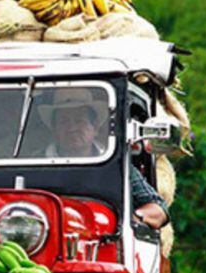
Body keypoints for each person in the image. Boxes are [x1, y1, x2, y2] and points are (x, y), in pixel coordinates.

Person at [40, 88, 169, 229]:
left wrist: (130, 219)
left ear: (95, 128)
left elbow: (159, 209)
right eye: (64, 122)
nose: (72, 128)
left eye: (80, 121)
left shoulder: (117, 165)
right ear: (53, 129)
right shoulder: (36, 164)